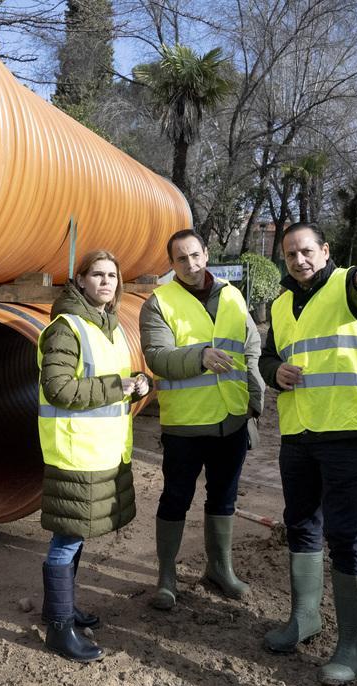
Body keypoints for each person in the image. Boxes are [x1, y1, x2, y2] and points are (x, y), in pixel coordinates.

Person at [258, 222, 357, 686]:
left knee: (344, 533)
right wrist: (275, 372)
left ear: (325, 250)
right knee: (300, 523)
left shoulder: (349, 284)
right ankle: (305, 618)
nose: (299, 260)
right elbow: (267, 356)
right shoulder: (280, 304)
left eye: (306, 251)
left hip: (347, 427)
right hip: (298, 430)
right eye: (291, 254)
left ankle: (356, 645)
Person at [139, 229, 265, 610]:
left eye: (195, 255)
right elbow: (157, 357)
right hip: (186, 424)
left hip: (232, 418)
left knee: (224, 496)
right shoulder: (159, 303)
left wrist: (254, 401)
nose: (190, 264)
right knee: (176, 497)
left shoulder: (231, 294)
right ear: (171, 264)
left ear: (207, 254)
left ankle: (219, 569)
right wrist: (200, 356)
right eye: (181, 258)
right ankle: (166, 575)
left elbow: (251, 347)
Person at [37, 249, 151, 663]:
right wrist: (119, 387)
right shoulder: (66, 328)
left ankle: (62, 609)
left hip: (100, 448)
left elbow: (112, 380)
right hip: (76, 451)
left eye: (112, 276)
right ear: (81, 280)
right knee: (67, 537)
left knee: (78, 531)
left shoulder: (110, 325)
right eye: (98, 275)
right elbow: (58, 389)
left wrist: (138, 384)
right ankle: (58, 628)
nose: (106, 282)